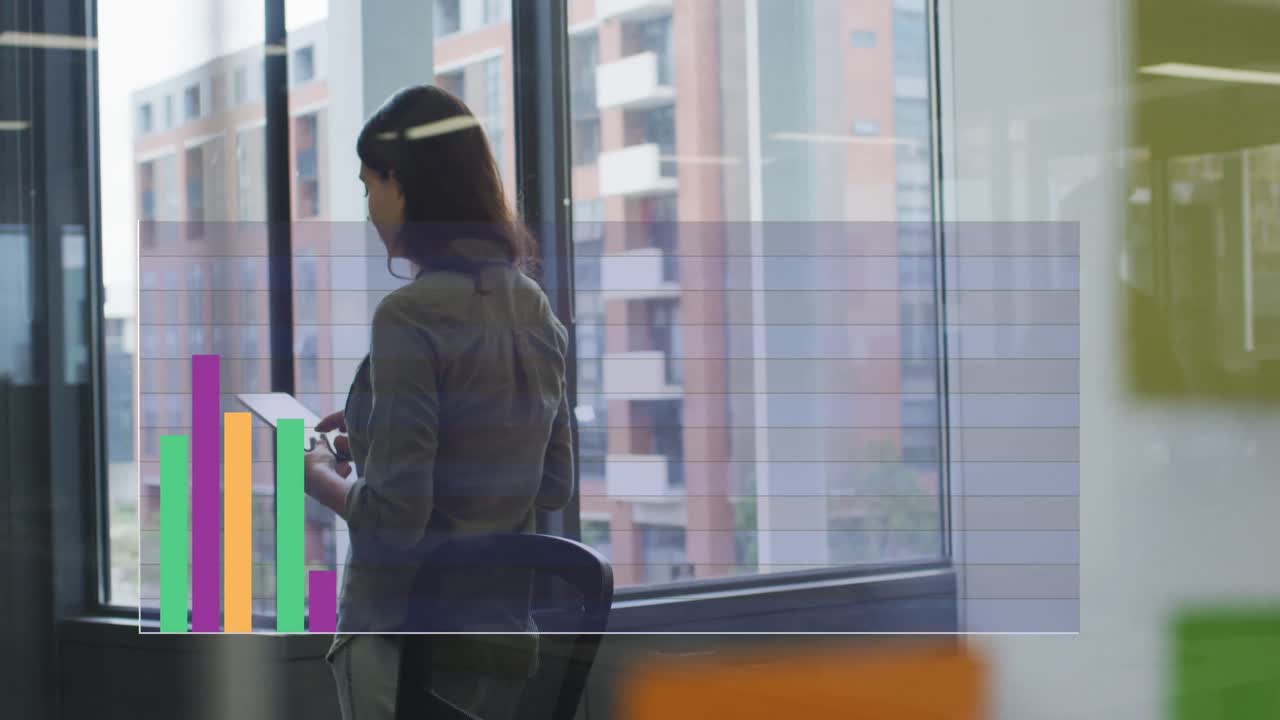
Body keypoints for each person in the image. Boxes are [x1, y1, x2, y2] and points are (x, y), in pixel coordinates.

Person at [301, 84, 574, 720]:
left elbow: (396, 519)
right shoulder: (533, 307)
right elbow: (552, 481)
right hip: (499, 645)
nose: (369, 209)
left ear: (403, 185)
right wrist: (373, 425)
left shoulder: (408, 316)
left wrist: (317, 477)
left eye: (369, 186)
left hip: (405, 643)